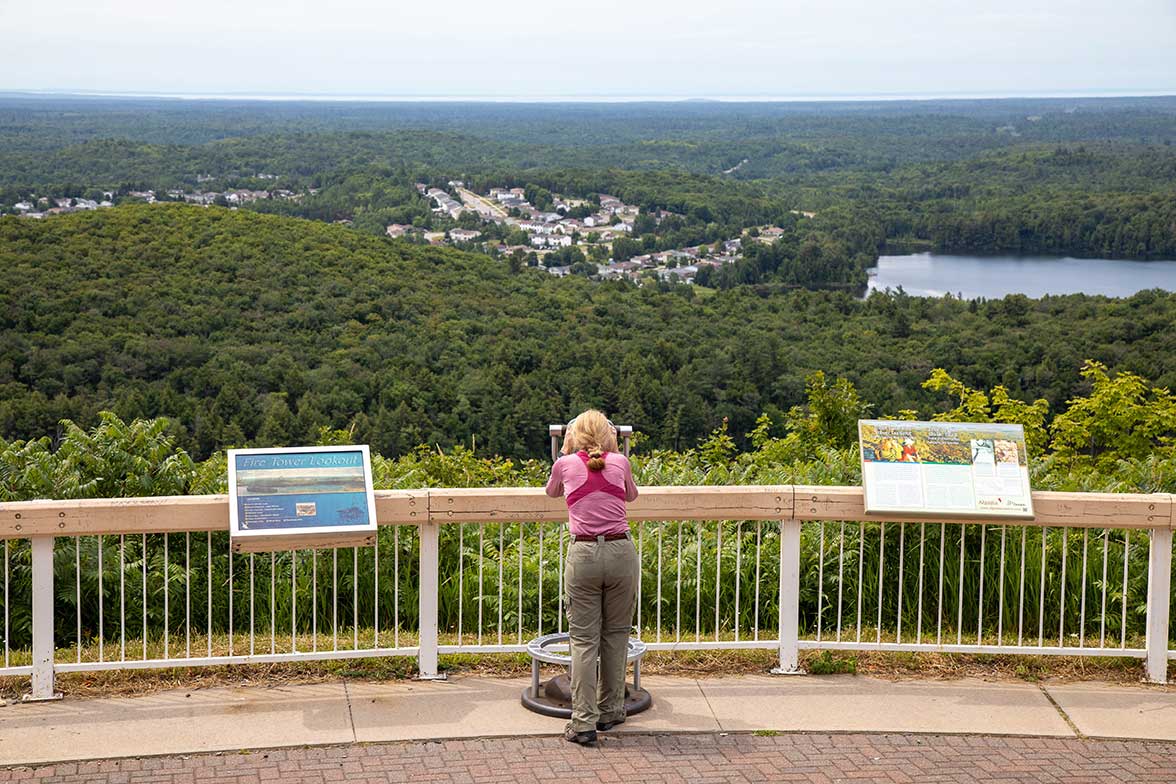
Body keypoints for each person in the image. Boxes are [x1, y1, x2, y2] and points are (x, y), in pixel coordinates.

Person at [545, 409, 639, 746]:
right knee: (615, 634)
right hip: (621, 553)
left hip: (583, 554)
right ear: (609, 435)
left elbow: (552, 492)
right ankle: (611, 710)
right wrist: (615, 454)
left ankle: (583, 723)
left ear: (574, 435)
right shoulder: (621, 463)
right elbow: (631, 495)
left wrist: (564, 452)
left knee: (584, 641)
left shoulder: (564, 465)